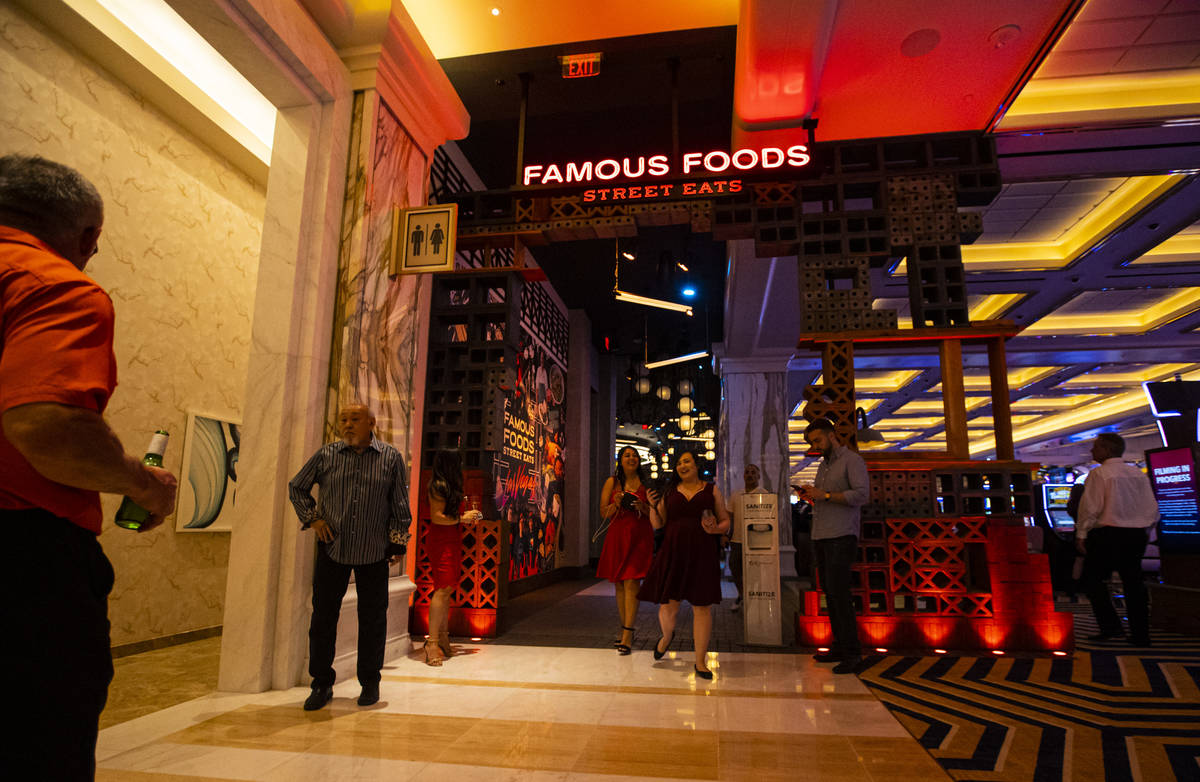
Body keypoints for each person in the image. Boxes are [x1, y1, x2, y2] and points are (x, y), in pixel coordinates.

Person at [0, 154, 178, 780]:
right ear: (87, 236)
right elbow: (45, 425)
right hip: (20, 560)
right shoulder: (52, 285)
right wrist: (142, 484)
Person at [288, 403, 412, 710]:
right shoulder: (327, 455)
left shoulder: (390, 458)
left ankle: (369, 682)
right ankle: (321, 684)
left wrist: (397, 543)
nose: (347, 424)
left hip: (373, 551)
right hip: (333, 549)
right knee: (323, 618)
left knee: (372, 620)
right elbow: (297, 488)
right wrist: (314, 519)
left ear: (370, 422)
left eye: (354, 419)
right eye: (343, 419)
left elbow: (399, 502)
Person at [638, 450, 732, 680]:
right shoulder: (670, 492)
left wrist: (716, 529)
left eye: (686, 461)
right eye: (679, 462)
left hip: (702, 552)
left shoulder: (711, 490)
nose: (682, 465)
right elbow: (658, 524)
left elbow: (725, 520)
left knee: (702, 607)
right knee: (669, 605)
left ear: (697, 465)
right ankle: (666, 637)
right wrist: (651, 506)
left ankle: (700, 661)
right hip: (673, 551)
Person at [796, 419, 869, 674]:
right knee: (831, 594)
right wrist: (812, 496)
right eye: (811, 442)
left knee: (840, 594)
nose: (814, 446)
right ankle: (839, 646)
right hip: (822, 534)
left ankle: (852, 652)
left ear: (831, 435)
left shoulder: (852, 461)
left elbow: (861, 495)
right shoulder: (823, 466)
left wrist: (825, 496)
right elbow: (824, 498)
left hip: (842, 535)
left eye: (817, 440)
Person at [1074, 433, 1160, 646]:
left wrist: (1081, 534)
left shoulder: (1100, 474)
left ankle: (1111, 626)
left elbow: (1090, 508)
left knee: (1092, 581)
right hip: (1135, 535)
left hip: (1107, 534)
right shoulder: (1138, 474)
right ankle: (1141, 635)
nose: (1092, 451)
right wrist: (1145, 531)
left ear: (1107, 450)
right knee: (1134, 584)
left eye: (1095, 447)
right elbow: (1152, 510)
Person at [596, 446, 655, 654]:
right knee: (620, 584)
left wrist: (643, 507)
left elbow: (656, 513)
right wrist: (616, 502)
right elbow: (604, 512)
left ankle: (628, 633)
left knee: (631, 582)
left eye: (634, 456)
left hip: (640, 537)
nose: (631, 458)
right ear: (620, 460)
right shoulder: (612, 483)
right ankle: (625, 630)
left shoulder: (647, 484)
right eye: (627, 455)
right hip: (618, 536)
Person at [424, 450, 480, 666]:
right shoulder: (437, 485)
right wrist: (461, 518)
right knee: (441, 589)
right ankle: (433, 642)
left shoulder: (448, 486)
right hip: (441, 540)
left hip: (452, 538)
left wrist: (467, 518)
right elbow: (437, 518)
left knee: (447, 589)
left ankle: (443, 637)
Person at [724, 463, 761, 611]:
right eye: (747, 472)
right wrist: (726, 535)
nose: (750, 475)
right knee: (735, 568)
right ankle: (742, 594)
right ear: (743, 476)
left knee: (754, 571)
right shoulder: (735, 495)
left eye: (753, 472)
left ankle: (753, 597)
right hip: (737, 540)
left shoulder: (763, 494)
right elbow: (729, 518)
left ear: (758, 476)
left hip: (756, 541)